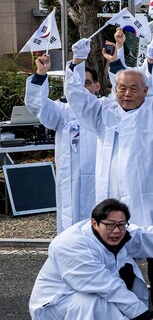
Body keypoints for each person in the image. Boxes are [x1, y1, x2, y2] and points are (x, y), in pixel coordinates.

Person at [67, 32, 153, 320]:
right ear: (114, 89)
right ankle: (121, 304)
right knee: (116, 252)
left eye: (133, 88)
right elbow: (78, 100)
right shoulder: (105, 112)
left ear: (145, 90)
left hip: (151, 195)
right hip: (115, 197)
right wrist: (77, 63)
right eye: (121, 88)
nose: (127, 93)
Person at [25, 50, 98, 232]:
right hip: (70, 180)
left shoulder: (104, 108)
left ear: (97, 87)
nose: (81, 88)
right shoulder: (61, 111)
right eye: (77, 83)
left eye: (86, 83)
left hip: (99, 180)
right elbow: (38, 106)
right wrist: (41, 73)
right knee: (71, 230)